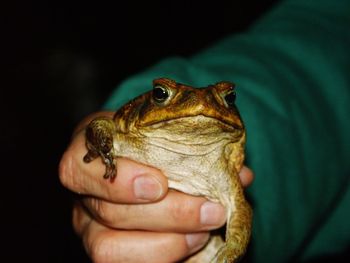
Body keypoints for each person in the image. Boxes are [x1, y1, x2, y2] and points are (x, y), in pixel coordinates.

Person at [59, 0, 350, 262]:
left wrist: (229, 255)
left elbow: (241, 216)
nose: (199, 107)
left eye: (228, 99)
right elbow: (101, 126)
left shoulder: (224, 169)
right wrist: (102, 151)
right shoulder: (128, 135)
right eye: (162, 94)